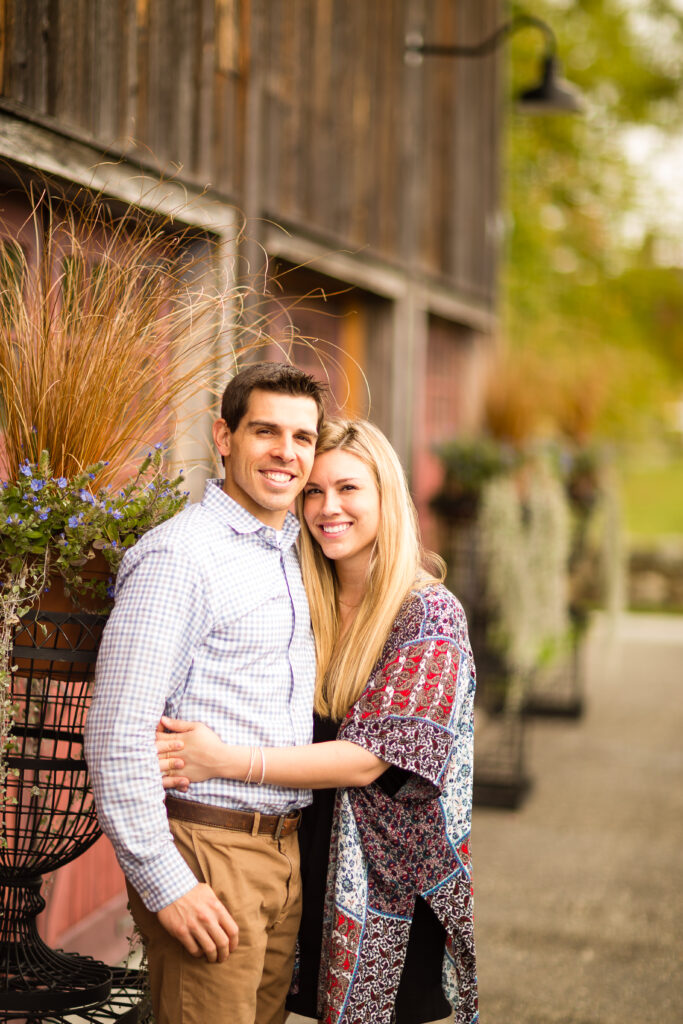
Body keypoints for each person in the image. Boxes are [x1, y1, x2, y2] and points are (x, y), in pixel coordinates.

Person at [156, 418, 478, 1024]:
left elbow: (367, 758)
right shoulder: (302, 598)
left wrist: (226, 761)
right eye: (313, 491)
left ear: (387, 495)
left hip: (386, 883)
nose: (328, 508)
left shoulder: (428, 614)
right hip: (294, 861)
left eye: (349, 489)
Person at [84, 362, 328, 1024]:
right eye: (266, 431)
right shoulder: (181, 558)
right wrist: (166, 883)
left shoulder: (292, 552)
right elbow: (115, 734)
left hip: (280, 853)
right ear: (224, 436)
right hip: (207, 850)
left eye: (302, 438)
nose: (286, 452)